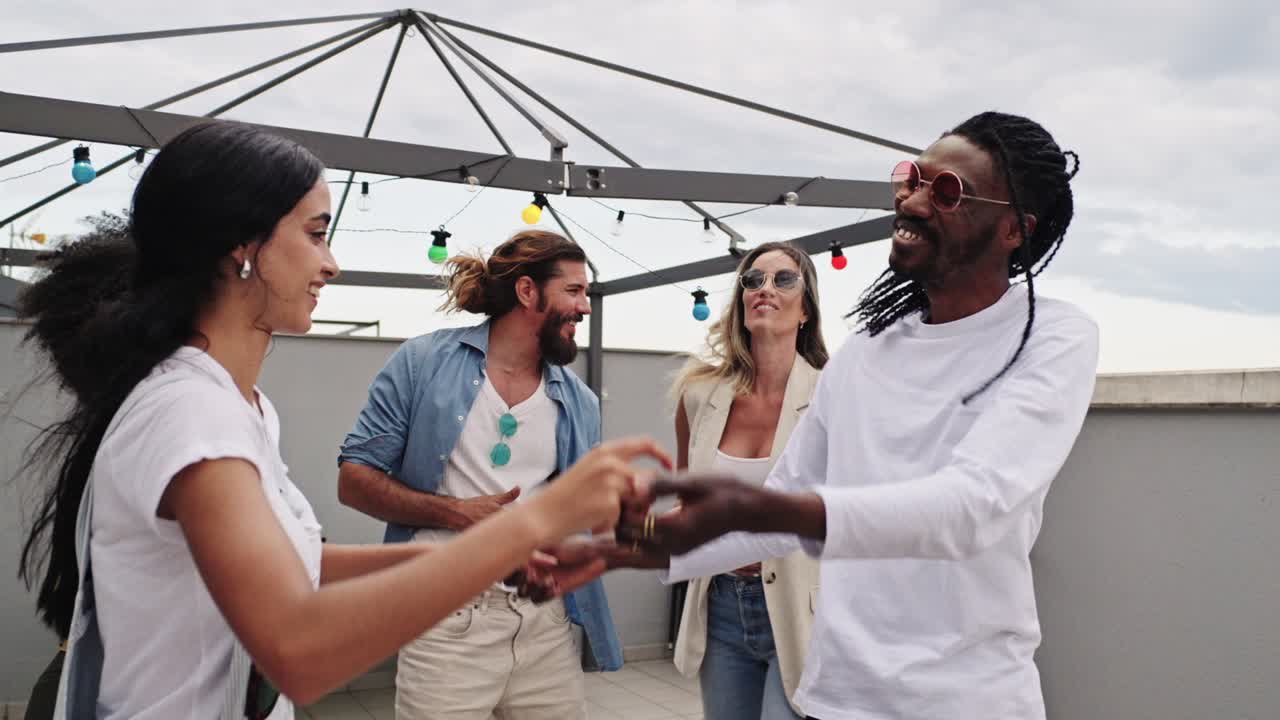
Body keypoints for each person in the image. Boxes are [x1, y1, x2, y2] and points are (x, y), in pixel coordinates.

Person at [15, 121, 664, 720]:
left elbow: (300, 565)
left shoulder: (234, 404)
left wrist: (506, 547)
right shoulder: (191, 413)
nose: (331, 264)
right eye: (316, 233)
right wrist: (532, 522)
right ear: (241, 246)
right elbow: (297, 652)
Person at [607, 111, 1098, 720]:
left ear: (1013, 230)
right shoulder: (867, 351)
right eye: (912, 177)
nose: (914, 200)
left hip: (968, 703)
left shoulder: (1051, 336)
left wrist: (762, 505)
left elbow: (974, 505)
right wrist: (627, 551)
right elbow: (781, 512)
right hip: (836, 700)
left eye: (947, 191)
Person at [337, 230, 624, 720]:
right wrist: (454, 513)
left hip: (545, 623)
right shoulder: (423, 362)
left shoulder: (580, 401)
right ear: (527, 291)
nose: (586, 307)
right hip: (446, 618)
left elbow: (577, 510)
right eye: (574, 291)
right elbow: (353, 479)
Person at [669, 241, 826, 720]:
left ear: (805, 309)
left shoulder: (832, 395)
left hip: (805, 611)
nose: (765, 289)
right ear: (741, 301)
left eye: (783, 280)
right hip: (721, 609)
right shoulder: (699, 395)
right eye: (753, 280)